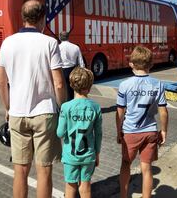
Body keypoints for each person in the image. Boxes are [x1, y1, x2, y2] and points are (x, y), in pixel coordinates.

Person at [0, 0, 67, 198]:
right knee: (44, 171)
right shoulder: (50, 43)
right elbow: (59, 83)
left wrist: (8, 108)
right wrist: (62, 107)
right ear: (43, 18)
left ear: (23, 17)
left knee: (20, 171)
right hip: (44, 114)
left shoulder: (8, 43)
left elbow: (1, 83)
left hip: (17, 113)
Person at [115, 46, 168, 198]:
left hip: (131, 131)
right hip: (150, 130)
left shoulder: (124, 85)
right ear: (151, 64)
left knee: (126, 164)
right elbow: (163, 111)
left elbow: (120, 111)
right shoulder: (158, 84)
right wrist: (163, 130)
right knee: (147, 168)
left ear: (131, 63)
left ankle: (123, 195)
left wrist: (119, 130)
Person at [57, 67, 102, 198]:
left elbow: (60, 133)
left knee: (70, 186)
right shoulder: (95, 107)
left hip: (70, 155)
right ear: (89, 86)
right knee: (86, 186)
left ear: (71, 85)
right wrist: (97, 152)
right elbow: (98, 133)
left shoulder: (66, 107)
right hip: (89, 154)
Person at [59, 31, 85, 101]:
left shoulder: (58, 47)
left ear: (60, 37)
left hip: (61, 70)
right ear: (68, 37)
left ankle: (63, 106)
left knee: (61, 89)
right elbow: (81, 62)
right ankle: (72, 104)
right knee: (72, 90)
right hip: (72, 70)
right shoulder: (75, 47)